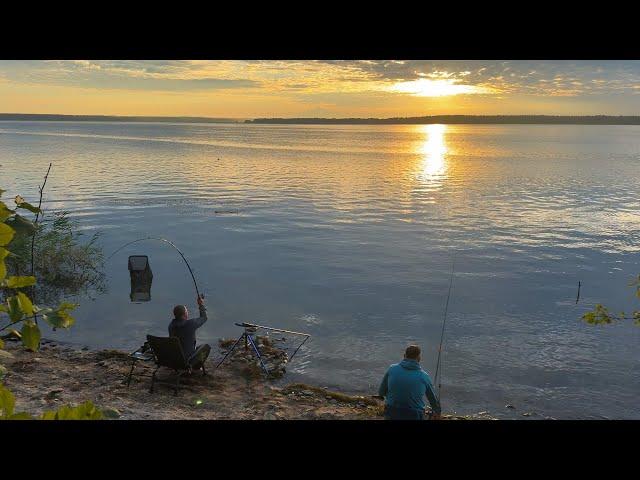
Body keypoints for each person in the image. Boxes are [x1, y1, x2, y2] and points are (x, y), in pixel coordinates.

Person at [378, 345, 441, 420]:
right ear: (419, 358)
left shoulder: (392, 369)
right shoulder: (424, 376)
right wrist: (437, 411)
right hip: (414, 414)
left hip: (392, 411)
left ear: (404, 356)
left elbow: (381, 392)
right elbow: (433, 399)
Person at [168, 295, 211, 371]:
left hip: (174, 360)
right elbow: (204, 318)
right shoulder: (190, 324)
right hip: (187, 361)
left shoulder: (171, 326)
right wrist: (201, 305)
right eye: (187, 311)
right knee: (206, 347)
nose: (188, 312)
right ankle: (194, 367)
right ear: (185, 314)